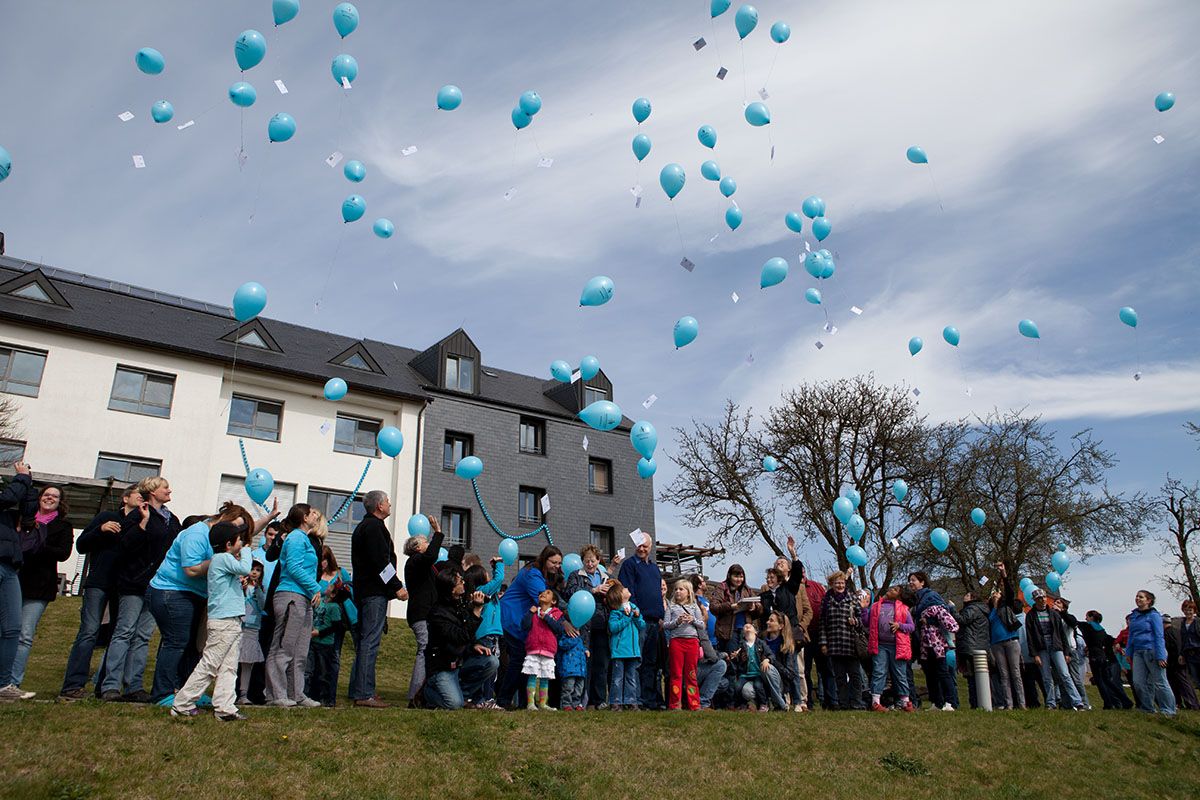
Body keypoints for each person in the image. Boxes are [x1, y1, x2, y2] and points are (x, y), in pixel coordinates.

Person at [148, 499, 266, 703]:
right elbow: (191, 569)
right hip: (172, 591)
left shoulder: (221, 542)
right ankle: (163, 693)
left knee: (194, 646)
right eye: (236, 530)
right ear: (225, 519)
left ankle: (187, 691)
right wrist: (221, 561)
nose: (237, 537)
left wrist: (269, 517)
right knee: (176, 642)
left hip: (197, 595)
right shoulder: (197, 534)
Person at [60, 485, 144, 701]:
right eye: (139, 495)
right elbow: (81, 545)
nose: (142, 498)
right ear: (125, 498)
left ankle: (104, 686)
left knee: (117, 635)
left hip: (124, 586)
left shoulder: (143, 522)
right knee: (89, 632)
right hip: (99, 582)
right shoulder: (107, 517)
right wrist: (101, 529)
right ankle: (73, 685)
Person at [170, 522, 253, 721]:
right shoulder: (223, 558)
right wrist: (247, 552)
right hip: (223, 622)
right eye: (239, 540)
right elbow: (245, 568)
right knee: (210, 664)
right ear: (228, 544)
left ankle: (225, 707)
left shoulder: (221, 560)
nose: (242, 543)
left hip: (231, 619)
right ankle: (182, 703)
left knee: (229, 666)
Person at [97, 478, 168, 703]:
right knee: (124, 632)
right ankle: (110, 685)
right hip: (133, 584)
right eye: (165, 487)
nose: (169, 490)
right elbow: (125, 545)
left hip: (155, 585)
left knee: (143, 636)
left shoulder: (170, 519)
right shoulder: (138, 515)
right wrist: (143, 524)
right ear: (152, 492)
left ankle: (134, 686)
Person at [349, 491, 409, 709]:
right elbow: (381, 562)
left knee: (365, 641)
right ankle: (364, 693)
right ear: (379, 506)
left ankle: (360, 689)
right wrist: (397, 586)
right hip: (374, 592)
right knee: (370, 641)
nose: (390, 504)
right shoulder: (374, 528)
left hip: (365, 590)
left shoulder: (363, 527)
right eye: (387, 502)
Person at [11, 485, 74, 690]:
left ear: (60, 502)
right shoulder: (23, 519)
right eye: (47, 494)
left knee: (24, 635)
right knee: (5, 631)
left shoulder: (63, 526)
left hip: (39, 585)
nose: (50, 498)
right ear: (39, 498)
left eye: (55, 496)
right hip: (14, 579)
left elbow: (63, 553)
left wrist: (36, 542)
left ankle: (13, 682)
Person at [265, 503, 322, 708]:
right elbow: (293, 566)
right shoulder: (296, 538)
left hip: (303, 598)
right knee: (284, 646)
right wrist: (315, 587)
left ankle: (296, 693)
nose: (316, 516)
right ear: (304, 518)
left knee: (300, 651)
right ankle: (276, 694)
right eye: (312, 512)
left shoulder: (304, 539)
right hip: (291, 596)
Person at [497, 545, 563, 709]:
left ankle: (522, 702)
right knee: (519, 661)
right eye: (554, 562)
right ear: (545, 559)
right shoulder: (533, 574)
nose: (557, 566)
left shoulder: (536, 573)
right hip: (512, 618)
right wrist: (565, 620)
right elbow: (543, 600)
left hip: (518, 620)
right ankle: (504, 700)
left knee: (521, 661)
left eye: (559, 563)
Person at [423, 567, 487, 710]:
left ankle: (461, 695)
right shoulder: (438, 613)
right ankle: (426, 693)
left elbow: (467, 631)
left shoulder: (460, 605)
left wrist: (474, 644)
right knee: (453, 705)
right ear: (452, 589)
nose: (463, 583)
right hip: (442, 666)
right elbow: (459, 636)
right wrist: (476, 611)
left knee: (490, 662)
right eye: (460, 582)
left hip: (459, 662)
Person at [0, 460, 36, 701]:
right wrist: (22, 477)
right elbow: (9, 498)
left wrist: (29, 484)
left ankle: (3, 686)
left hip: (9, 565)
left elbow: (28, 514)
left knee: (13, 628)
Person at [399, 511, 443, 708]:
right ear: (417, 547)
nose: (428, 544)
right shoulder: (416, 561)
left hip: (426, 613)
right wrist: (438, 532)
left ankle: (424, 694)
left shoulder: (421, 564)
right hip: (421, 614)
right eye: (425, 542)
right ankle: (415, 695)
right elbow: (432, 554)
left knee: (428, 650)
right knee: (424, 649)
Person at [564, 544, 615, 708]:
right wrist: (593, 590)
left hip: (603, 624)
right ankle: (581, 700)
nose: (590, 564)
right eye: (587, 561)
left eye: (593, 560)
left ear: (598, 560)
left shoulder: (606, 576)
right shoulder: (575, 575)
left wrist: (608, 595)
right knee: (585, 662)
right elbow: (570, 592)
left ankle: (599, 700)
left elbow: (616, 597)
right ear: (582, 561)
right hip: (583, 623)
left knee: (602, 664)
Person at [617, 532, 664, 710]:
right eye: (640, 545)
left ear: (650, 547)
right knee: (636, 661)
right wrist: (636, 615)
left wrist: (661, 616)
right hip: (638, 620)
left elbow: (658, 594)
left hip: (655, 621)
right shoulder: (629, 565)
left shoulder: (654, 568)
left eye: (646, 546)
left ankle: (649, 699)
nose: (642, 549)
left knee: (652, 662)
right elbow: (627, 592)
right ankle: (634, 699)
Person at [307, 545, 355, 706]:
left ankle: (329, 695)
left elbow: (350, 593)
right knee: (316, 661)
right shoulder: (314, 575)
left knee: (333, 658)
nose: (321, 563)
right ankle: (315, 694)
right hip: (318, 620)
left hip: (337, 621)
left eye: (323, 560)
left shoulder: (340, 574)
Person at [1024, 589, 1086, 710]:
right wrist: (1034, 654)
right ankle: (1050, 703)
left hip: (1056, 646)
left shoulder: (1053, 614)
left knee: (1065, 674)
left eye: (1044, 597)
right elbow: (1030, 636)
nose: (1043, 600)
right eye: (1040, 598)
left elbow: (1062, 634)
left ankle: (1077, 701)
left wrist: (1066, 652)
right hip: (1041, 647)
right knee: (1047, 677)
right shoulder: (1031, 616)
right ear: (1035, 600)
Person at [761, 564, 808, 711]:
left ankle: (798, 701)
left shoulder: (787, 589)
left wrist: (794, 557)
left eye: (772, 577)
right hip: (773, 635)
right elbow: (763, 615)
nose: (769, 580)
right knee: (777, 667)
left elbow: (797, 576)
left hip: (788, 634)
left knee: (792, 667)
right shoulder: (765, 596)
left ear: (779, 579)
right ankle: (783, 699)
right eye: (767, 577)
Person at [908, 571, 959, 710]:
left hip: (936, 641)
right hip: (924, 642)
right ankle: (936, 702)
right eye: (910, 580)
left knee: (942, 671)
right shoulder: (917, 599)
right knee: (930, 673)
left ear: (922, 582)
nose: (911, 583)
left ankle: (950, 702)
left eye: (914, 580)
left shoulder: (931, 596)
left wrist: (929, 621)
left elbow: (944, 615)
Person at [862, 585, 914, 712]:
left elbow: (911, 626)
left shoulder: (903, 608)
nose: (891, 589)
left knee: (900, 673)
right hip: (880, 645)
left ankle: (905, 701)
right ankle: (875, 702)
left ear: (899, 596)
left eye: (895, 590)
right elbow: (866, 622)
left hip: (898, 646)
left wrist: (899, 625)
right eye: (892, 588)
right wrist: (863, 609)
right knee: (879, 671)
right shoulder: (875, 606)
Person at [460, 558, 504, 708]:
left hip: (490, 635)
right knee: (488, 669)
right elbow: (499, 579)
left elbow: (496, 583)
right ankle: (485, 699)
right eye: (486, 574)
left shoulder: (487, 592)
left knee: (490, 669)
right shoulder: (481, 591)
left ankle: (481, 699)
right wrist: (499, 563)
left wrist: (494, 568)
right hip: (486, 636)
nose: (489, 576)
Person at [820, 570, 865, 710]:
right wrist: (823, 643)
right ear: (832, 584)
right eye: (837, 583)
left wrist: (855, 622)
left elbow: (861, 620)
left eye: (842, 583)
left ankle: (856, 702)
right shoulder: (826, 601)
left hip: (850, 643)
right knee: (839, 677)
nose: (840, 585)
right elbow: (823, 623)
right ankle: (843, 703)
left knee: (855, 676)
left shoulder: (852, 599)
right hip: (834, 644)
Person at [1125, 589, 1175, 715]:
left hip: (1152, 650)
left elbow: (1159, 635)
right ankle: (1147, 708)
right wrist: (1128, 652)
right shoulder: (1134, 616)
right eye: (1137, 596)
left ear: (1149, 601)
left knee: (1160, 681)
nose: (1137, 599)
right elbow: (1131, 635)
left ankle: (1168, 709)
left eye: (1141, 597)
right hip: (1138, 652)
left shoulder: (1154, 615)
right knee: (1138, 682)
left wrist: (1161, 655)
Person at [988, 563, 1026, 709]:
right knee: (1004, 675)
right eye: (994, 593)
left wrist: (1003, 573)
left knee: (1015, 673)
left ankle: (1021, 703)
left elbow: (1010, 591)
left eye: (997, 593)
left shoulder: (1006, 605)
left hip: (1010, 641)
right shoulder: (990, 610)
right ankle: (1008, 704)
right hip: (996, 644)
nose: (995, 594)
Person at [663, 578, 705, 710]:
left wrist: (692, 619)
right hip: (676, 642)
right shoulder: (671, 607)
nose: (677, 591)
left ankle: (694, 704)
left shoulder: (694, 606)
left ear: (688, 592)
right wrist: (677, 622)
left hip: (692, 642)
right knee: (676, 674)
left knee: (691, 674)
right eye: (676, 589)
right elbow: (665, 625)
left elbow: (702, 625)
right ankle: (675, 704)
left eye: (681, 589)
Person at [690, 574, 728, 711]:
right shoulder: (695, 601)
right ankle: (700, 700)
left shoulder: (706, 601)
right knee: (719, 665)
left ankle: (701, 699)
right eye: (703, 581)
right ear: (699, 584)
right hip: (703, 645)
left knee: (724, 682)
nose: (705, 583)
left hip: (712, 642)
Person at [522, 588, 564, 711]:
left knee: (545, 677)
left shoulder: (557, 614)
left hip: (548, 650)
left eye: (548, 593)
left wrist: (547, 618)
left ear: (553, 601)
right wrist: (530, 613)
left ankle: (542, 703)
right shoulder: (533, 611)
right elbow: (524, 626)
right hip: (533, 648)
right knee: (532, 675)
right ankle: (530, 703)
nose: (543, 594)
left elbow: (559, 629)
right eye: (542, 593)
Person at [1080, 609, 1131, 710]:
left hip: (1095, 656)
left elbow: (1074, 622)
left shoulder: (1088, 626)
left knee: (1099, 681)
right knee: (1107, 680)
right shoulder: (1102, 630)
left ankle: (1108, 703)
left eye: (1087, 617)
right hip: (1103, 657)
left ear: (1091, 617)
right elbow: (1111, 640)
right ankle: (1125, 700)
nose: (1086, 619)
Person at [606, 580, 644, 711]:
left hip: (632, 651)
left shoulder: (634, 608)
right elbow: (613, 628)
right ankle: (616, 702)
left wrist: (637, 617)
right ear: (620, 596)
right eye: (623, 589)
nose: (627, 588)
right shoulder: (615, 612)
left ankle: (631, 701)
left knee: (631, 677)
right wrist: (627, 617)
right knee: (617, 678)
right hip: (620, 651)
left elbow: (642, 625)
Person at [307, 582, 344, 708]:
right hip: (314, 642)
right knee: (312, 670)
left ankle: (326, 698)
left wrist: (320, 632)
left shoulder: (334, 607)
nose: (327, 586)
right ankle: (312, 695)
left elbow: (336, 626)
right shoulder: (321, 601)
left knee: (324, 672)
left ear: (333, 594)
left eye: (330, 587)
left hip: (325, 644)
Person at [710, 564, 760, 653]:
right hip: (728, 632)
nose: (739, 579)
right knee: (732, 656)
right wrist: (731, 606)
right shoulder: (722, 588)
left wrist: (754, 607)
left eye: (741, 577)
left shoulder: (747, 590)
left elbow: (759, 608)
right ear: (729, 576)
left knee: (745, 656)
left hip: (745, 630)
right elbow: (714, 607)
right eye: (736, 576)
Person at [236, 561, 266, 705]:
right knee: (232, 661)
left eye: (258, 570)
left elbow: (263, 605)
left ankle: (244, 694)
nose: (254, 572)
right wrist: (243, 588)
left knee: (248, 662)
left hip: (252, 628)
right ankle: (228, 692)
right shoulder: (239, 585)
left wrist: (258, 590)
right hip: (238, 626)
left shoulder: (260, 589)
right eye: (252, 569)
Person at [957, 588, 992, 710]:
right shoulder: (982, 609)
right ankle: (981, 701)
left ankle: (975, 703)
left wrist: (952, 609)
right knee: (979, 676)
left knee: (971, 676)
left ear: (972, 598)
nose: (964, 596)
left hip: (971, 645)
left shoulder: (972, 609)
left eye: (967, 595)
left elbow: (962, 620)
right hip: (981, 645)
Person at [1056, 597, 1092, 709]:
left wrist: (1062, 613)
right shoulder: (1054, 618)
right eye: (1055, 602)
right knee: (1061, 679)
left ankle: (1084, 703)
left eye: (1058, 603)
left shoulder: (1069, 617)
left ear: (1064, 607)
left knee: (1075, 678)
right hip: (1059, 650)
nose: (1055, 604)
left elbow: (1072, 622)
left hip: (1071, 650)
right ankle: (1066, 704)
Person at [732, 622, 774, 712]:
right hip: (745, 673)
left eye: (750, 626)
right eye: (745, 626)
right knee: (737, 686)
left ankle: (763, 704)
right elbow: (737, 661)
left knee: (758, 686)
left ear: (756, 631)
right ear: (743, 633)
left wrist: (767, 660)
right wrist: (735, 657)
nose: (747, 626)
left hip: (758, 673)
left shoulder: (761, 643)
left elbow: (771, 654)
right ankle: (742, 704)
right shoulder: (741, 645)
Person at [1162, 611, 1199, 710]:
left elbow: (1170, 647)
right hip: (1180, 659)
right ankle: (1188, 703)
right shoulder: (1177, 630)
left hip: (1175, 661)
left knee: (1181, 683)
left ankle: (1190, 704)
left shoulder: (1166, 633)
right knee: (1184, 682)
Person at [558, 602, 589, 711]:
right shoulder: (567, 634)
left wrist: (585, 650)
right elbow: (562, 644)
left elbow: (580, 646)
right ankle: (566, 703)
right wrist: (574, 638)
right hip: (569, 667)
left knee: (579, 688)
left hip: (580, 668)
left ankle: (576, 703)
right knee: (568, 687)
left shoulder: (580, 635)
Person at [1178, 600, 1200, 696]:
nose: (1188, 612)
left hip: (1198, 651)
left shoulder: (1198, 622)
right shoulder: (1183, 623)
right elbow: (1183, 640)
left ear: (1194, 611)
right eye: (1186, 610)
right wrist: (1181, 654)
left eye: (1190, 610)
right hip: (1189, 654)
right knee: (1196, 679)